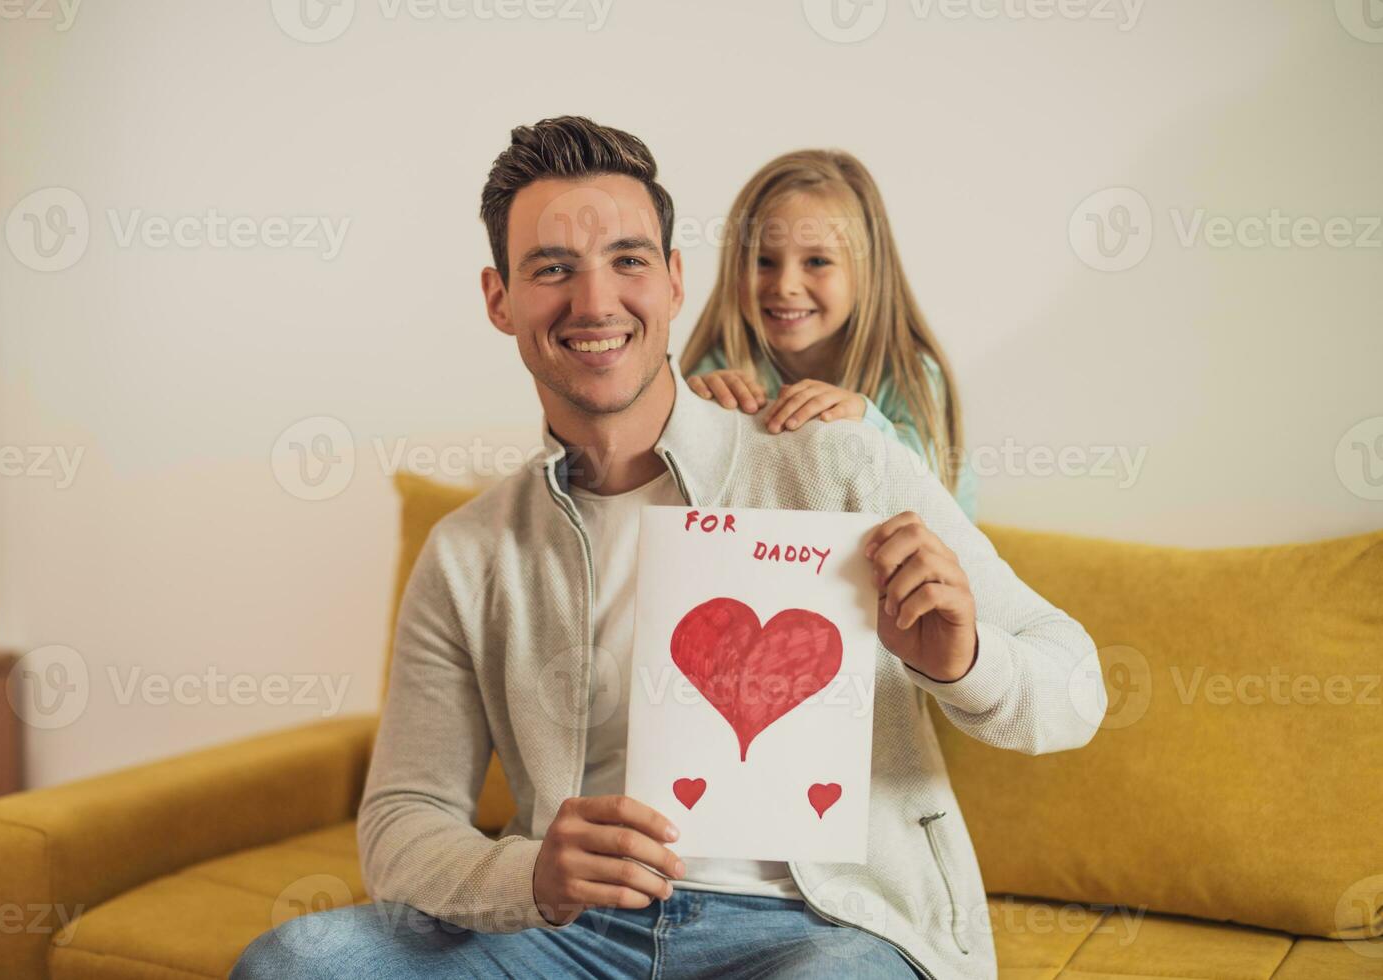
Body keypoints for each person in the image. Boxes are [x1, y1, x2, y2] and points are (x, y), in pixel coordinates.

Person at [232, 115, 1105, 980]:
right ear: (500, 300)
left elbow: (1073, 686)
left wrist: (965, 662)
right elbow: (403, 815)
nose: (596, 302)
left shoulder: (839, 461)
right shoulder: (469, 553)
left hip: (822, 931)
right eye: (553, 270)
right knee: (294, 962)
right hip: (567, 933)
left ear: (676, 281)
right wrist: (528, 874)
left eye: (628, 261)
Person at [682, 149, 977, 521]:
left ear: (867, 272)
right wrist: (695, 415)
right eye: (763, 261)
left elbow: (933, 499)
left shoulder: (911, 373)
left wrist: (866, 423)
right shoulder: (721, 366)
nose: (786, 285)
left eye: (817, 261)